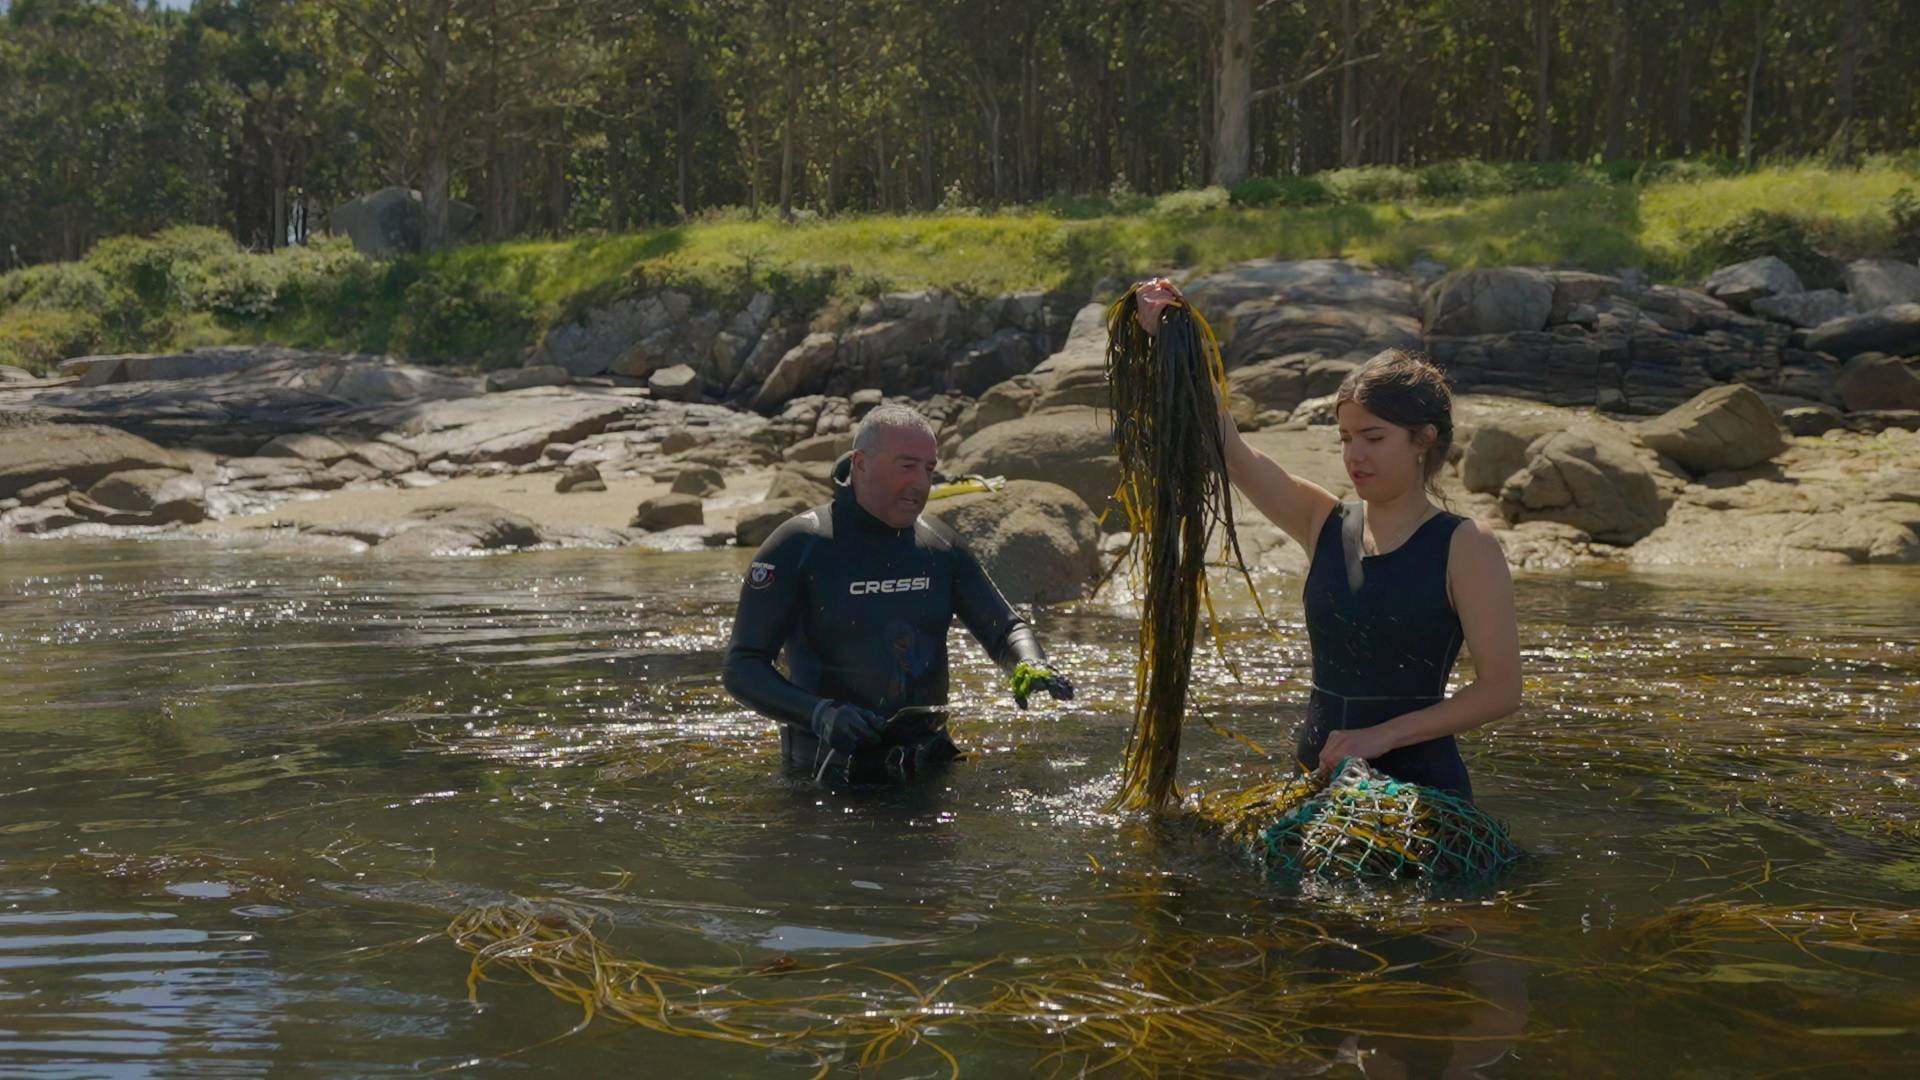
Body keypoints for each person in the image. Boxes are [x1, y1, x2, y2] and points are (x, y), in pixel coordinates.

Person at [1134, 278, 1520, 798]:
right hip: (1315, 780)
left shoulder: (1466, 544)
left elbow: (1501, 690)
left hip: (1423, 794)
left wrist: (1379, 737)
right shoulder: (1324, 521)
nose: (1355, 455)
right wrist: (1170, 333)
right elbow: (1232, 452)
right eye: (1345, 438)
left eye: (1374, 438)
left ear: (1423, 440)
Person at [722, 403, 1074, 785]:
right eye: (906, 466)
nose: (921, 483)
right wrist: (820, 713)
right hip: (826, 777)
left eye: (928, 469)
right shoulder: (799, 545)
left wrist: (1029, 663)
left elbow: (1004, 629)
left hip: (927, 767)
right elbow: (743, 666)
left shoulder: (939, 546)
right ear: (860, 464)